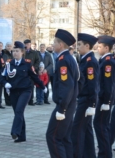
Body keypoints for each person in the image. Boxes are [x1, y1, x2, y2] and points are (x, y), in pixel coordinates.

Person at [1, 41, 47, 142]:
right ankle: (22, 136)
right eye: (13, 51)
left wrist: (43, 86)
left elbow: (34, 76)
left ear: (22, 52)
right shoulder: (9, 64)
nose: (15, 53)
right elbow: (2, 77)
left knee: (19, 110)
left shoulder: (27, 63)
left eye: (17, 51)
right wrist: (5, 83)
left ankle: (15, 132)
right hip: (13, 91)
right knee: (18, 113)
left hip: (25, 91)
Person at [46, 29, 79, 158]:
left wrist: (62, 108)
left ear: (61, 44)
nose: (52, 45)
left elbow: (67, 86)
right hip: (69, 105)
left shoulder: (64, 60)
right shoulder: (67, 58)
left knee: (53, 137)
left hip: (64, 106)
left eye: (54, 42)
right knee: (65, 138)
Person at [71, 33, 99, 158]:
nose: (78, 47)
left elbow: (93, 84)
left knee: (76, 130)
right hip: (84, 98)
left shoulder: (90, 61)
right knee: (87, 130)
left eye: (80, 45)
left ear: (87, 46)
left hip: (86, 100)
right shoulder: (85, 59)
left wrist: (93, 103)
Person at [93, 35, 115, 158]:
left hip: (104, 100)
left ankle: (105, 154)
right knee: (101, 125)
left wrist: (107, 102)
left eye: (100, 46)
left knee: (101, 125)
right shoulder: (105, 60)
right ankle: (105, 153)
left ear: (107, 48)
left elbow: (109, 84)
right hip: (102, 98)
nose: (98, 48)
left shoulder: (108, 61)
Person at [24, 39, 40, 106]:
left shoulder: (34, 53)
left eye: (27, 44)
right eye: (25, 44)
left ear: (30, 45)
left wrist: (34, 68)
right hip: (23, 72)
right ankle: (24, 100)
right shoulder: (22, 52)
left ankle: (30, 100)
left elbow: (37, 61)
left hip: (31, 72)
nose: (26, 45)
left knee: (31, 86)